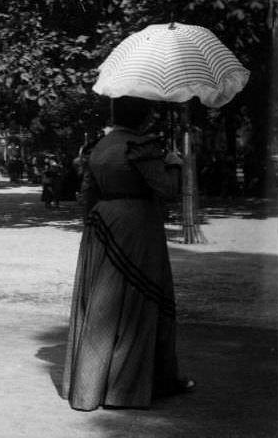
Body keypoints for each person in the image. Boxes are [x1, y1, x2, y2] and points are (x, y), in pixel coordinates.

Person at [62, 96, 195, 411]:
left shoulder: (99, 147)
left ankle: (89, 387)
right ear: (145, 117)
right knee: (141, 302)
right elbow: (166, 189)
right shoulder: (142, 146)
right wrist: (175, 164)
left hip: (101, 225)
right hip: (137, 226)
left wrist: (95, 225)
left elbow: (86, 194)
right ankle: (128, 389)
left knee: (102, 302)